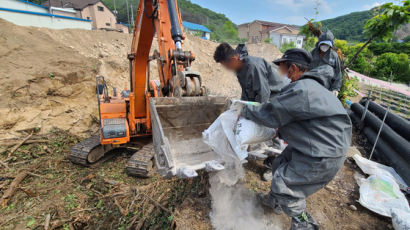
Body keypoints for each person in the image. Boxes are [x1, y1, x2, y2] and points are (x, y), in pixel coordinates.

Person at [241, 48, 352, 230]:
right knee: (280, 163)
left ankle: (304, 223)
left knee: (284, 185)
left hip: (324, 152)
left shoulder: (302, 89)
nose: (281, 74)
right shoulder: (312, 87)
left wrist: (243, 110)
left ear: (293, 69)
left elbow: (272, 113)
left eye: (282, 69)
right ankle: (274, 203)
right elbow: (301, 120)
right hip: (319, 144)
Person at [213, 43, 288, 180]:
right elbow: (247, 92)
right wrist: (242, 107)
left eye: (226, 65)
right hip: (263, 97)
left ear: (234, 59)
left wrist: (254, 113)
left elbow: (263, 96)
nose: (226, 69)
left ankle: (273, 165)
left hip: (277, 97)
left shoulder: (253, 66)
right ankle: (242, 151)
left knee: (274, 127)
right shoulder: (239, 69)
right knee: (247, 118)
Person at [310, 29, 342, 96]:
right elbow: (305, 68)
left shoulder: (334, 56)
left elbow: (338, 73)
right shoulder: (312, 53)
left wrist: (335, 88)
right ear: (319, 43)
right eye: (323, 44)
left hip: (326, 88)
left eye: (327, 45)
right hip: (311, 85)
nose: (324, 46)